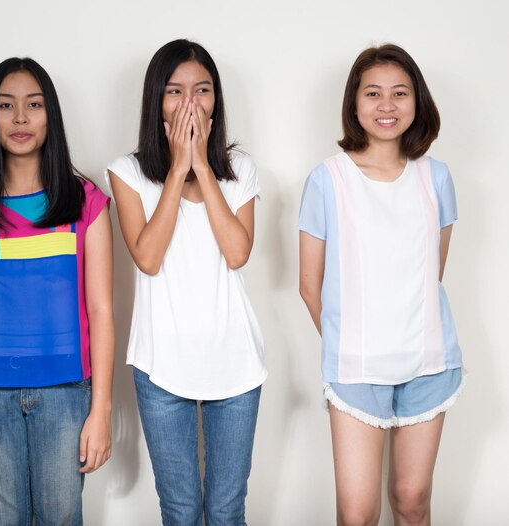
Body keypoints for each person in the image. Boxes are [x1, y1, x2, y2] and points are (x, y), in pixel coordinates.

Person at [0, 57, 114, 525]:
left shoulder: (84, 201)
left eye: (33, 105)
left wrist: (101, 410)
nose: (19, 118)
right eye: (5, 106)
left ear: (49, 114)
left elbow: (102, 309)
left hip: (66, 394)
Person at [298, 44, 464, 526]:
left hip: (429, 362)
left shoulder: (437, 178)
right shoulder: (327, 180)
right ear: (354, 103)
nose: (386, 105)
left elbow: (432, 272)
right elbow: (311, 285)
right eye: (373, 93)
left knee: (412, 500)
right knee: (357, 513)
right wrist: (352, 344)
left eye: (400, 93)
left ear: (418, 102)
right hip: (355, 368)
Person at [106, 39, 266, 526]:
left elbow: (238, 253)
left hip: (235, 361)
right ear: (156, 100)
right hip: (161, 364)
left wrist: (203, 168)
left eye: (202, 90)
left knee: (225, 509)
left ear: (217, 100)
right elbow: (148, 258)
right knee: (179, 510)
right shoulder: (128, 173)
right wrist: (178, 169)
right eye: (175, 91)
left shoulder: (240, 172)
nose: (190, 103)